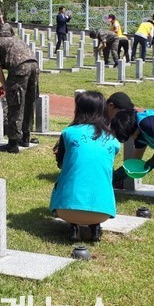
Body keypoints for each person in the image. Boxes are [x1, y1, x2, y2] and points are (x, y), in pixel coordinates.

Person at [51, 91, 120, 243]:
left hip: (66, 210)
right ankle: (95, 228)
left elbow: (61, 163)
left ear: (79, 109)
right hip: (103, 212)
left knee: (65, 180)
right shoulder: (112, 139)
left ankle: (74, 228)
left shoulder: (68, 132)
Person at [0, 31, 39, 153]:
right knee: (29, 102)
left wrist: (5, 85)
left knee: (15, 104)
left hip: (19, 66)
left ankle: (13, 144)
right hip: (34, 64)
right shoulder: (5, 41)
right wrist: (7, 84)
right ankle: (25, 137)